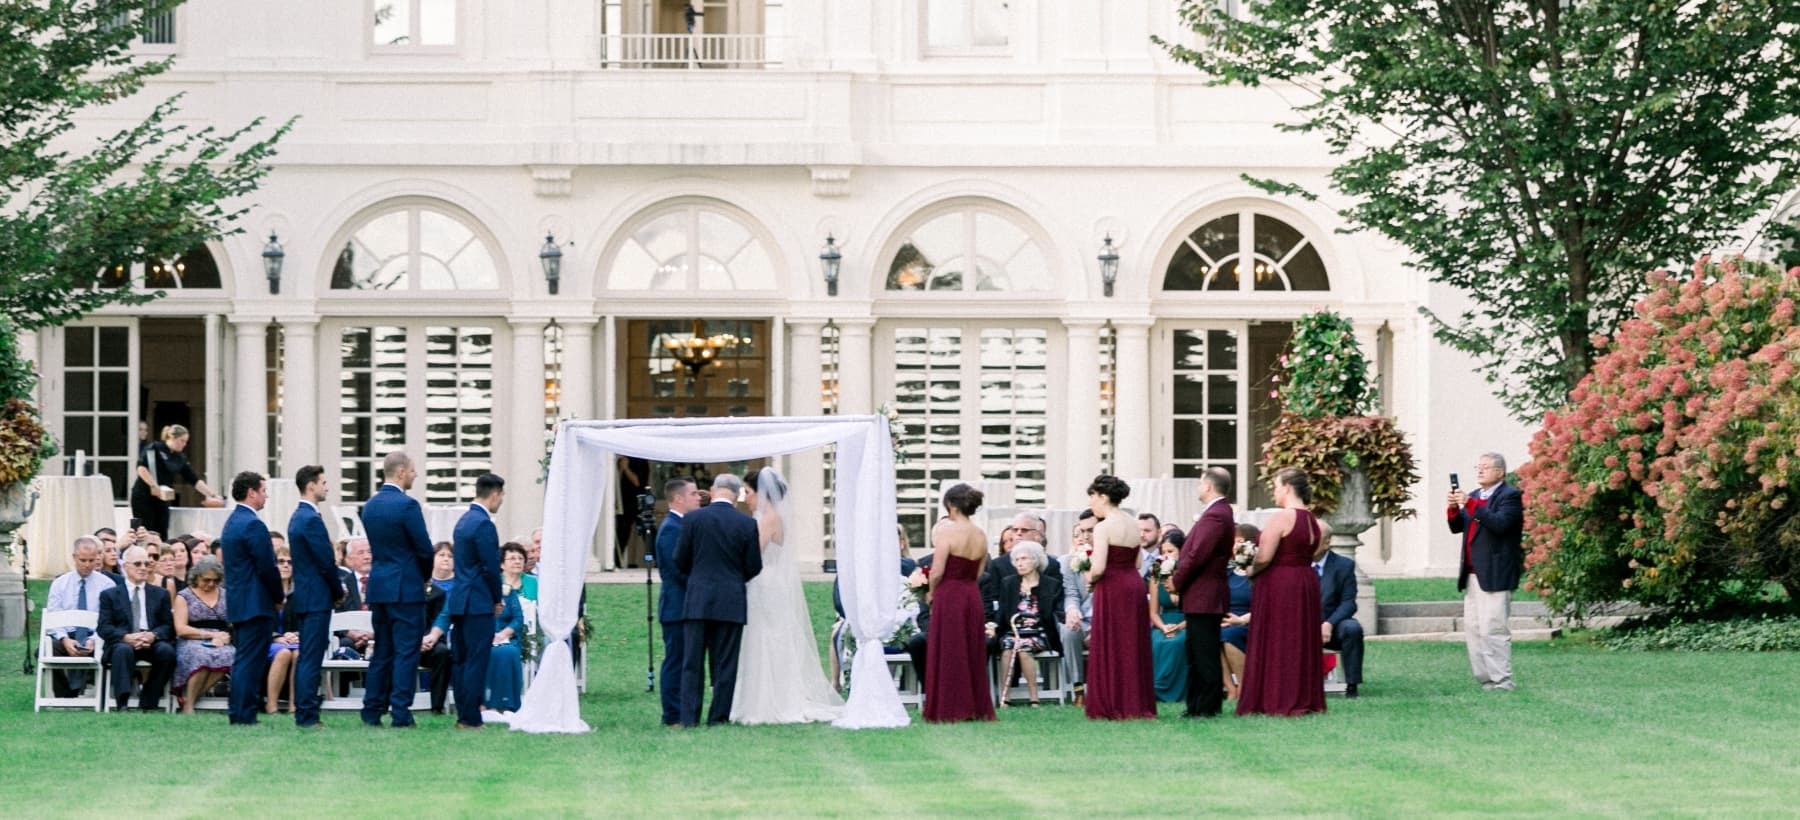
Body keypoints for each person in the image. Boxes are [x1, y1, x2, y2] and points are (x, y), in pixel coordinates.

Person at [731, 467, 844, 724]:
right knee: (769, 637)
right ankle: (765, 696)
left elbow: (754, 555)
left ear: (761, 493)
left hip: (764, 583)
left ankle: (769, 702)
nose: (745, 498)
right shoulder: (771, 516)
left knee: (765, 637)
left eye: (747, 492)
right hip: (769, 583)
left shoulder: (768, 518)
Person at [1237, 467, 1331, 717]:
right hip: (1304, 581)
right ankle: (1302, 694)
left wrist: (1249, 569)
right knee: (1299, 638)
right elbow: (1311, 553)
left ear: (1288, 487)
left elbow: (1265, 555)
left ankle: (1276, 696)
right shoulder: (1313, 520)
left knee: (1279, 638)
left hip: (1280, 583)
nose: (1275, 491)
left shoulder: (1280, 518)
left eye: (1277, 486)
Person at [674, 474, 764, 727]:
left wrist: (697, 578)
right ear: (737, 494)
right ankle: (718, 717)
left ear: (713, 491)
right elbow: (754, 565)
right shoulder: (746, 524)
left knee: (692, 662)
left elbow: (680, 558)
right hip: (731, 599)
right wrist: (735, 579)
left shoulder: (692, 519)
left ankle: (689, 717)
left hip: (698, 599)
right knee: (726, 663)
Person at [359, 451, 435, 728]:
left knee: (382, 651)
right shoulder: (407, 506)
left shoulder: (369, 506)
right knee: (406, 652)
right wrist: (424, 577)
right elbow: (424, 549)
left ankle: (372, 709)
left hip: (379, 586)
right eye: (413, 470)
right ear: (401, 471)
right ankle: (401, 711)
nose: (416, 475)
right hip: (406, 588)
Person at [1449, 451, 1525, 691]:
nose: (1480, 471)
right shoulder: (1474, 496)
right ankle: (1486, 679)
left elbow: (1500, 524)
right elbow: (1458, 526)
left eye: (1485, 467)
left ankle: (1502, 680)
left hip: (1496, 572)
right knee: (1474, 630)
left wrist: (1470, 505)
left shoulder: (1510, 496)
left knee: (1493, 628)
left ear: (1499, 472)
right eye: (1478, 467)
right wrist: (1453, 509)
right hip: (1472, 574)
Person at [1084, 475, 1156, 720]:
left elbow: (1099, 567)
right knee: (1131, 643)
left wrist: (1088, 578)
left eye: (1093, 496)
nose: (1091, 502)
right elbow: (1137, 562)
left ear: (1103, 497)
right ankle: (1136, 701)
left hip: (1112, 587)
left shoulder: (1103, 526)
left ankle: (1113, 701)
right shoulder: (1133, 524)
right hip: (1133, 585)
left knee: (1113, 642)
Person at [922, 483, 995, 722]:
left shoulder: (947, 532)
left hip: (950, 594)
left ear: (951, 506)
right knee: (970, 648)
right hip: (970, 594)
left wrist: (931, 592)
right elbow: (978, 573)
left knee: (949, 649)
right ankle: (973, 705)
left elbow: (937, 570)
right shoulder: (981, 535)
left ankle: (951, 705)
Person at [1169, 466, 1234, 717]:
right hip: (1203, 594)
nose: (1198, 487)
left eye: (1199, 483)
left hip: (1205, 594)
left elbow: (1197, 555)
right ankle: (1196, 705)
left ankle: (1206, 707)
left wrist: (1177, 580)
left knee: (1203, 653)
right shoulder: (1218, 512)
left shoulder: (1215, 515)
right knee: (1196, 651)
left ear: (1208, 486)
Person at [221, 471, 282, 725]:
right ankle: (244, 713)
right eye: (263, 490)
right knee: (251, 660)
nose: (266, 496)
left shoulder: (232, 522)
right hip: (256, 602)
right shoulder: (253, 524)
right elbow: (267, 565)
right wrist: (278, 595)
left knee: (244, 658)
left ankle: (239, 711)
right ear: (251, 492)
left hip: (240, 601)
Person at [287, 464, 345, 728]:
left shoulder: (299, 517)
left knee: (309, 656)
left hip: (308, 595)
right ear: (311, 485)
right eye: (323, 482)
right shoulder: (309, 518)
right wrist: (337, 590)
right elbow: (325, 561)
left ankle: (306, 710)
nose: (327, 487)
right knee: (311, 657)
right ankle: (307, 714)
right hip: (315, 597)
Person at [448, 473, 505, 729]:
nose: (501, 501)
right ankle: (470, 717)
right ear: (494, 494)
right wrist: (496, 597)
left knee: (461, 660)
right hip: (478, 601)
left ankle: (463, 712)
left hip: (460, 600)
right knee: (476, 660)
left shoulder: (463, 521)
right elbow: (490, 567)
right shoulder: (484, 524)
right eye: (501, 496)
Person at [97, 545, 177, 711]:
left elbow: (168, 626)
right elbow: (104, 627)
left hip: (151, 642)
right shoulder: (110, 595)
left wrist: (153, 635)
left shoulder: (160, 594)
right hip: (123, 641)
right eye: (138, 564)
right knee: (122, 651)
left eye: (146, 564)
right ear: (125, 566)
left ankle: (150, 699)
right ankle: (123, 702)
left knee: (167, 652)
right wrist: (126, 637)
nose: (143, 568)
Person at [653, 476, 702, 726]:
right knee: (676, 661)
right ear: (679, 498)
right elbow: (677, 569)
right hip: (677, 606)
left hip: (685, 606)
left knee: (685, 661)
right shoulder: (672, 528)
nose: (699, 497)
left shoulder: (682, 525)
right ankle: (672, 714)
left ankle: (683, 711)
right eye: (694, 494)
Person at [45, 536, 116, 696]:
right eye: (83, 560)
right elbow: (53, 616)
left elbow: (109, 619)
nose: (87, 565)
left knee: (113, 649)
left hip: (96, 636)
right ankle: (65, 696)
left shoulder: (106, 584)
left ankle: (98, 694)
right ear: (74, 557)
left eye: (91, 560)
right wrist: (64, 639)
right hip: (67, 635)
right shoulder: (60, 584)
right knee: (46, 649)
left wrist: (94, 639)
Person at [995, 541, 1062, 707]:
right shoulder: (1009, 583)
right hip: (1013, 631)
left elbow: (1054, 613)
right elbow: (1003, 611)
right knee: (1007, 648)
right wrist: (993, 627)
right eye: (1017, 560)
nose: (1019, 563)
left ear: (1036, 560)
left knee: (1024, 649)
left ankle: (1034, 697)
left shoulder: (1051, 584)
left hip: (1040, 632)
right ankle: (1005, 697)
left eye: (1024, 558)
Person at [130, 424, 220, 540]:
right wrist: (153, 485)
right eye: (182, 441)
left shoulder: (180, 458)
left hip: (163, 499)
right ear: (171, 437)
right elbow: (141, 468)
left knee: (161, 531)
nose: (184, 444)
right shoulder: (155, 448)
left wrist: (212, 495)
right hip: (144, 496)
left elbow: (194, 480)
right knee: (145, 530)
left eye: (186, 441)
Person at [173, 557, 234, 714]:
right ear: (196, 577)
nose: (211, 584)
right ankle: (189, 706)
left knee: (230, 654)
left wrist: (227, 636)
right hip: (192, 638)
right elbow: (180, 629)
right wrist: (208, 635)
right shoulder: (184, 596)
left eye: (215, 581)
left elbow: (233, 623)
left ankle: (190, 700)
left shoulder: (226, 595)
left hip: (220, 639)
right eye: (206, 580)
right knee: (202, 655)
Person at [1057, 511, 1096, 705]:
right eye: (1082, 531)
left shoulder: (1108, 558)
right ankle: (1078, 688)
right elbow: (1070, 593)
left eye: (1090, 531)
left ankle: (1100, 689)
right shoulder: (1069, 561)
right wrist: (1072, 611)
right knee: (1069, 631)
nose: (1085, 536)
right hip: (1083, 619)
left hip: (1106, 619)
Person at [486, 543, 529, 714]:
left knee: (508, 652)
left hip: (506, 638)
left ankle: (508, 702)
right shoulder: (483, 588)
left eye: (520, 558)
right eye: (512, 558)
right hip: (483, 636)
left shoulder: (507, 591)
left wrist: (503, 634)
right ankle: (488, 702)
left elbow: (518, 618)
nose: (517, 561)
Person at [1315, 548, 1364, 698]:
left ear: (1326, 542)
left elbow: (1349, 603)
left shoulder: (1344, 565)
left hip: (1334, 626)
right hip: (1301, 626)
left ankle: (1351, 685)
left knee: (1352, 628)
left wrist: (1329, 623)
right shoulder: (1297, 563)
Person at [1148, 536, 1188, 704]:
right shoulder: (1156, 575)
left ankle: (1171, 691)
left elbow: (1195, 611)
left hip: (1186, 622)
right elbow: (1154, 612)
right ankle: (1154, 689)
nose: (1166, 555)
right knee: (1157, 642)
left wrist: (1179, 627)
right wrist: (1163, 627)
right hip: (1163, 623)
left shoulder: (1189, 574)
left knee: (1177, 643)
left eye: (1170, 551)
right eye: (1163, 552)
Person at [1220, 524, 1258, 701]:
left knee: (1229, 635)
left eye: (1241, 542)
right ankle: (1230, 688)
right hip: (1226, 619)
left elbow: (1264, 606)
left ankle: (1244, 686)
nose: (1236, 546)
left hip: (1250, 622)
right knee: (1210, 634)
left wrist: (1241, 620)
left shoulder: (1258, 575)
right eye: (1233, 542)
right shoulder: (1227, 573)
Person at [418, 542, 456, 715]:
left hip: (429, 642)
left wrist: (428, 640)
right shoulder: (406, 587)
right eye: (441, 555)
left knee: (442, 653)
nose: (446, 559)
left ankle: (437, 706)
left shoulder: (438, 593)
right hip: (406, 640)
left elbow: (439, 621)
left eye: (449, 556)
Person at [265, 545, 302, 714]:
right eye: (281, 562)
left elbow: (304, 620)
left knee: (297, 653)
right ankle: (271, 705)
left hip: (294, 640)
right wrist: (275, 637)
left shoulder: (299, 592)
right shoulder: (265, 591)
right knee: (284, 653)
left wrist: (296, 635)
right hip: (268, 640)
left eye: (290, 562)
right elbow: (262, 621)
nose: (286, 565)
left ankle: (294, 705)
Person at [1137, 513, 1163, 577]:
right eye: (1138, 530)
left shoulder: (1166, 555)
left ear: (1159, 533)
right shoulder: (1130, 558)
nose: (1141, 535)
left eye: (1147, 530)